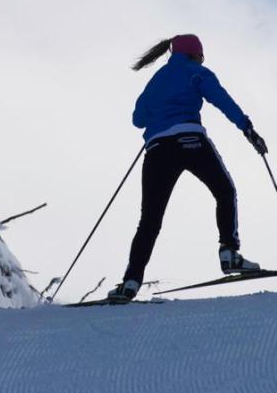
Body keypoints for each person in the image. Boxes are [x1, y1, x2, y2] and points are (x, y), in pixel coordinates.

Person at [108, 34, 268, 303]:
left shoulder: (156, 80)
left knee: (149, 220)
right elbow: (222, 100)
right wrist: (248, 129)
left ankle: (131, 282)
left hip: (158, 149)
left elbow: (138, 119)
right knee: (224, 191)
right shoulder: (197, 72)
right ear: (195, 55)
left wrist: (159, 113)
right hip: (190, 138)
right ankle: (229, 253)